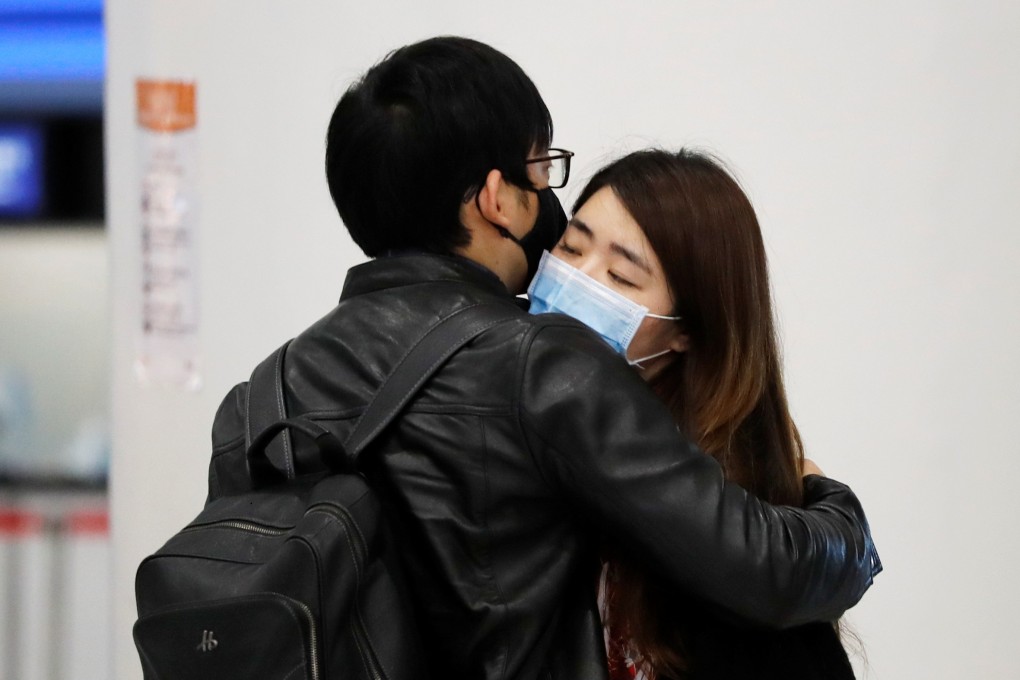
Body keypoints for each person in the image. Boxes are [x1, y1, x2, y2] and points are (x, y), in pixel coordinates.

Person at [217, 36, 880, 680]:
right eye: (542, 169)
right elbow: (761, 569)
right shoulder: (540, 362)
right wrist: (832, 506)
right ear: (497, 197)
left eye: (622, 274)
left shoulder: (257, 402)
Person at [528, 148, 867, 679]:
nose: (578, 282)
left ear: (686, 328)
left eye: (621, 276)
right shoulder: (516, 409)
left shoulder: (724, 516)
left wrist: (835, 512)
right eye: (571, 247)